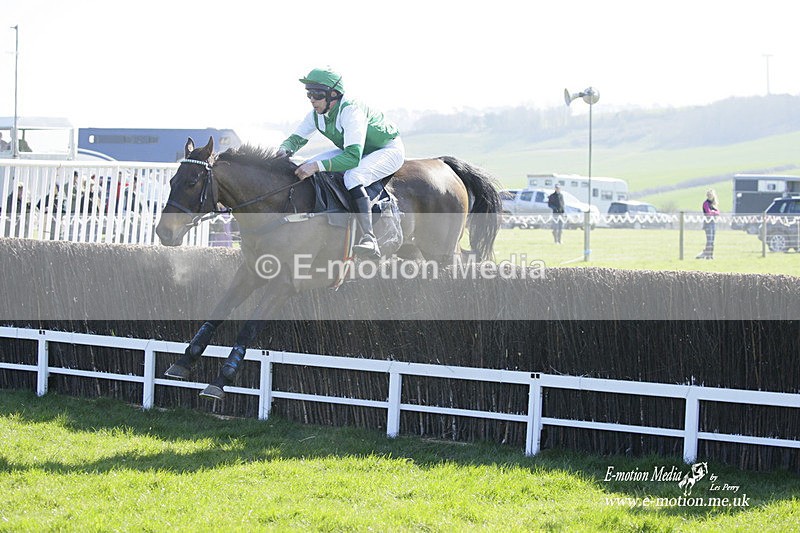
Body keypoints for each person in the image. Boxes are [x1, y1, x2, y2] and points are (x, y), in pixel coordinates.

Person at [279, 67, 405, 258]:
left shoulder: (351, 111)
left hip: (386, 150)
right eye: (309, 94)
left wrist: (315, 167)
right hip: (356, 149)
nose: (312, 99)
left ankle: (369, 238)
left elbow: (353, 157)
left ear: (334, 94)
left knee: (353, 177)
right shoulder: (317, 113)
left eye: (317, 94)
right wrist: (279, 154)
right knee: (303, 164)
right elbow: (295, 140)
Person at [697, 189, 720, 259]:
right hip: (707, 224)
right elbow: (708, 213)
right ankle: (706, 254)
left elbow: (718, 213)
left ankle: (710, 255)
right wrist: (713, 212)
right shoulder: (706, 203)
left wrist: (713, 212)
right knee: (709, 240)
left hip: (713, 224)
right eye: (709, 195)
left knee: (712, 241)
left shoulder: (713, 204)